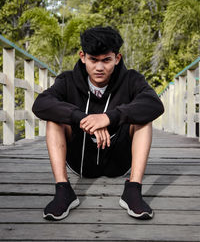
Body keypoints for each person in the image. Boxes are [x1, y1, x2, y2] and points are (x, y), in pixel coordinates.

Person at [32, 26, 164, 221]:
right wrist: (81, 118)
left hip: (120, 161)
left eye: (106, 60)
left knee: (144, 120)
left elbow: (154, 104)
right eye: (93, 60)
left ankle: (133, 189)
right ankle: (63, 190)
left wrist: (108, 117)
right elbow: (41, 104)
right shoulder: (67, 80)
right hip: (80, 161)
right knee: (54, 120)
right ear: (83, 56)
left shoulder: (131, 79)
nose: (99, 67)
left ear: (117, 58)